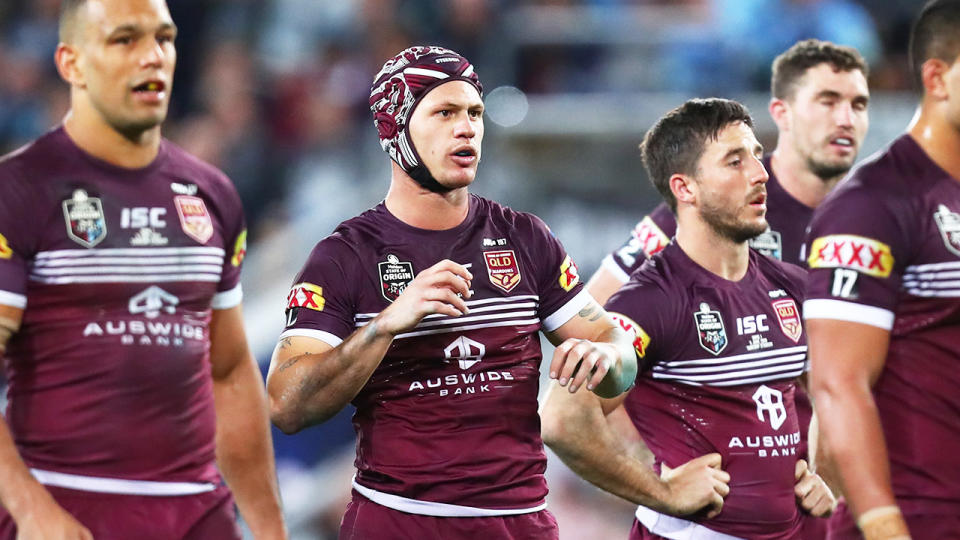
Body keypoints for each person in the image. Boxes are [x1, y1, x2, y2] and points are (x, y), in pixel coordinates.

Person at [264, 45, 644, 540]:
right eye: (444, 112)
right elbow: (287, 406)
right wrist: (384, 327)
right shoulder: (344, 258)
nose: (466, 128)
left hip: (519, 523)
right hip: (399, 522)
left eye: (475, 113)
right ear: (395, 126)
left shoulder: (526, 238)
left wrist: (606, 360)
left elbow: (621, 356)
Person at [0, 1, 286, 538]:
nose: (152, 57)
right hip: (67, 505)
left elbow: (227, 373)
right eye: (124, 40)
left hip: (195, 513)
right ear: (71, 63)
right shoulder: (19, 191)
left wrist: (270, 527)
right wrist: (32, 510)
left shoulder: (212, 195)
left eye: (164, 38)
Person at [542, 98, 836, 539]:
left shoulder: (794, 285)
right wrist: (661, 491)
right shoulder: (653, 301)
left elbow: (832, 394)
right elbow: (563, 420)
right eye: (734, 161)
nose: (760, 173)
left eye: (757, 155)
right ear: (685, 188)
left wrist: (821, 472)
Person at [805, 1, 960, 538]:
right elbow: (839, 381)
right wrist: (881, 521)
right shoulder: (874, 204)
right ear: (937, 78)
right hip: (918, 515)